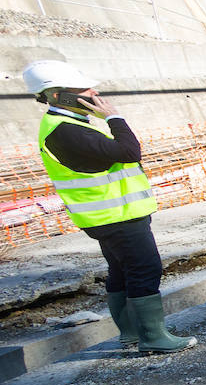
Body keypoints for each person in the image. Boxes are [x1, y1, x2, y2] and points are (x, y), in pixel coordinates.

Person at [22, 59, 196, 353]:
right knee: (145, 268)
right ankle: (153, 337)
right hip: (114, 216)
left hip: (110, 214)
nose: (92, 92)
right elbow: (129, 151)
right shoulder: (65, 130)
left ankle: (130, 334)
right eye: (82, 89)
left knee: (122, 270)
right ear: (55, 95)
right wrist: (115, 118)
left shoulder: (70, 124)